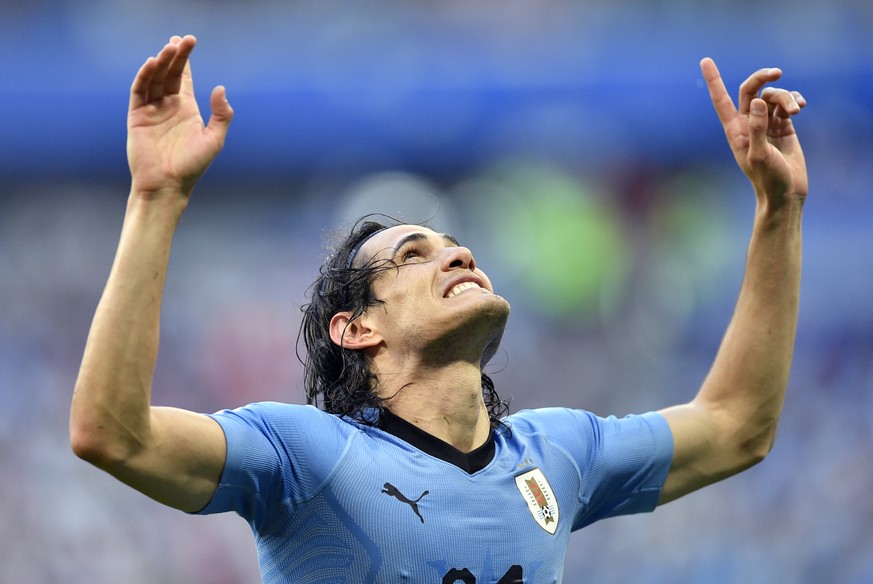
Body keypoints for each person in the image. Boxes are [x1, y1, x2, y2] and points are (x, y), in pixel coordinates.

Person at [70, 34, 807, 583]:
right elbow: (113, 435)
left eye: (457, 246)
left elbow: (736, 426)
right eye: (413, 255)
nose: (458, 257)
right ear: (356, 328)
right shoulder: (302, 456)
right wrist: (157, 198)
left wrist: (777, 211)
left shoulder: (556, 454)